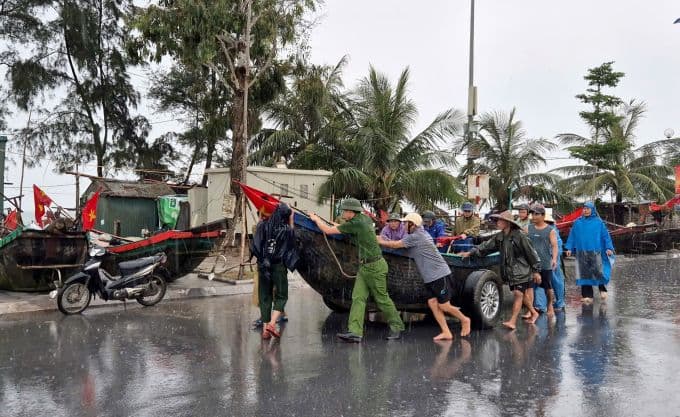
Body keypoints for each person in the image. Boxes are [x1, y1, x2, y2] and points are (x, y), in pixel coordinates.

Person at [309, 198, 405, 342]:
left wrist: (315, 219)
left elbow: (328, 231)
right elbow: (342, 227)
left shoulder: (357, 223)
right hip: (365, 266)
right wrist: (331, 224)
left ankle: (397, 326)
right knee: (358, 298)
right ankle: (355, 332)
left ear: (351, 212)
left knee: (382, 298)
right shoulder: (363, 220)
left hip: (375, 267)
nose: (342, 213)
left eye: (344, 211)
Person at [377, 213, 471, 340]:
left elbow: (395, 245)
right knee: (432, 303)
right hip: (430, 277)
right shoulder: (417, 235)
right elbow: (399, 244)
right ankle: (446, 332)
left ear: (412, 224)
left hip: (439, 274)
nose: (403, 225)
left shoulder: (417, 236)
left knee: (444, 305)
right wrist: (382, 239)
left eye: (405, 223)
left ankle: (465, 320)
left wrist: (380, 241)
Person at [460, 211, 541, 330]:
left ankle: (512, 321)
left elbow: (531, 253)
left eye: (500, 220)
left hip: (522, 270)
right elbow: (486, 247)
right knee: (522, 295)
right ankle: (534, 313)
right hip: (510, 272)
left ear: (507, 223)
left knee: (518, 294)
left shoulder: (520, 236)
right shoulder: (500, 236)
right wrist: (471, 252)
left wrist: (536, 271)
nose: (497, 223)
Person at [250, 203, 299, 339]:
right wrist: (291, 219)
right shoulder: (287, 230)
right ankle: (272, 323)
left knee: (265, 297)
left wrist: (261, 215)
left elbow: (257, 241)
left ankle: (266, 330)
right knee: (282, 295)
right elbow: (292, 238)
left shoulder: (262, 225)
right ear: (286, 216)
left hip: (263, 266)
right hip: (278, 267)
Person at [565, 201, 615, 304]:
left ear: (592, 210)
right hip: (581, 251)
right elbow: (572, 236)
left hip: (596, 251)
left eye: (588, 209)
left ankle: (602, 288)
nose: (585, 210)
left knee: (597, 271)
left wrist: (609, 248)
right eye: (584, 209)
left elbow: (606, 236)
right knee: (584, 273)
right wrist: (569, 247)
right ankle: (587, 295)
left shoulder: (599, 222)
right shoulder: (577, 223)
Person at [525, 204, 558, 318]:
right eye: (532, 214)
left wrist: (554, 259)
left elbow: (554, 246)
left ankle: (550, 305)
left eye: (536, 214)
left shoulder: (550, 230)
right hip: (531, 263)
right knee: (529, 288)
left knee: (547, 287)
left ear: (543, 215)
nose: (533, 216)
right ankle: (531, 309)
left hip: (545, 263)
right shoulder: (528, 228)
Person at [534, 213, 566, 312]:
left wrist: (553, 259)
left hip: (551, 260)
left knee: (555, 282)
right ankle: (541, 306)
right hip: (542, 260)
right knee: (541, 282)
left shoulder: (552, 230)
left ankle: (559, 303)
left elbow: (556, 246)